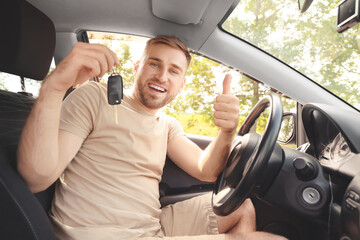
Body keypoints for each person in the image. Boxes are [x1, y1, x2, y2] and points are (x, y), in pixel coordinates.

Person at [17, 35, 286, 240]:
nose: (161, 76)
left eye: (173, 71)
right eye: (154, 64)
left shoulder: (167, 125)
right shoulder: (95, 97)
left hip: (151, 227)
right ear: (137, 67)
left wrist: (227, 131)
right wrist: (55, 86)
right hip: (102, 234)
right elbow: (36, 177)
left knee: (242, 206)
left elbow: (206, 170)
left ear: (181, 85)